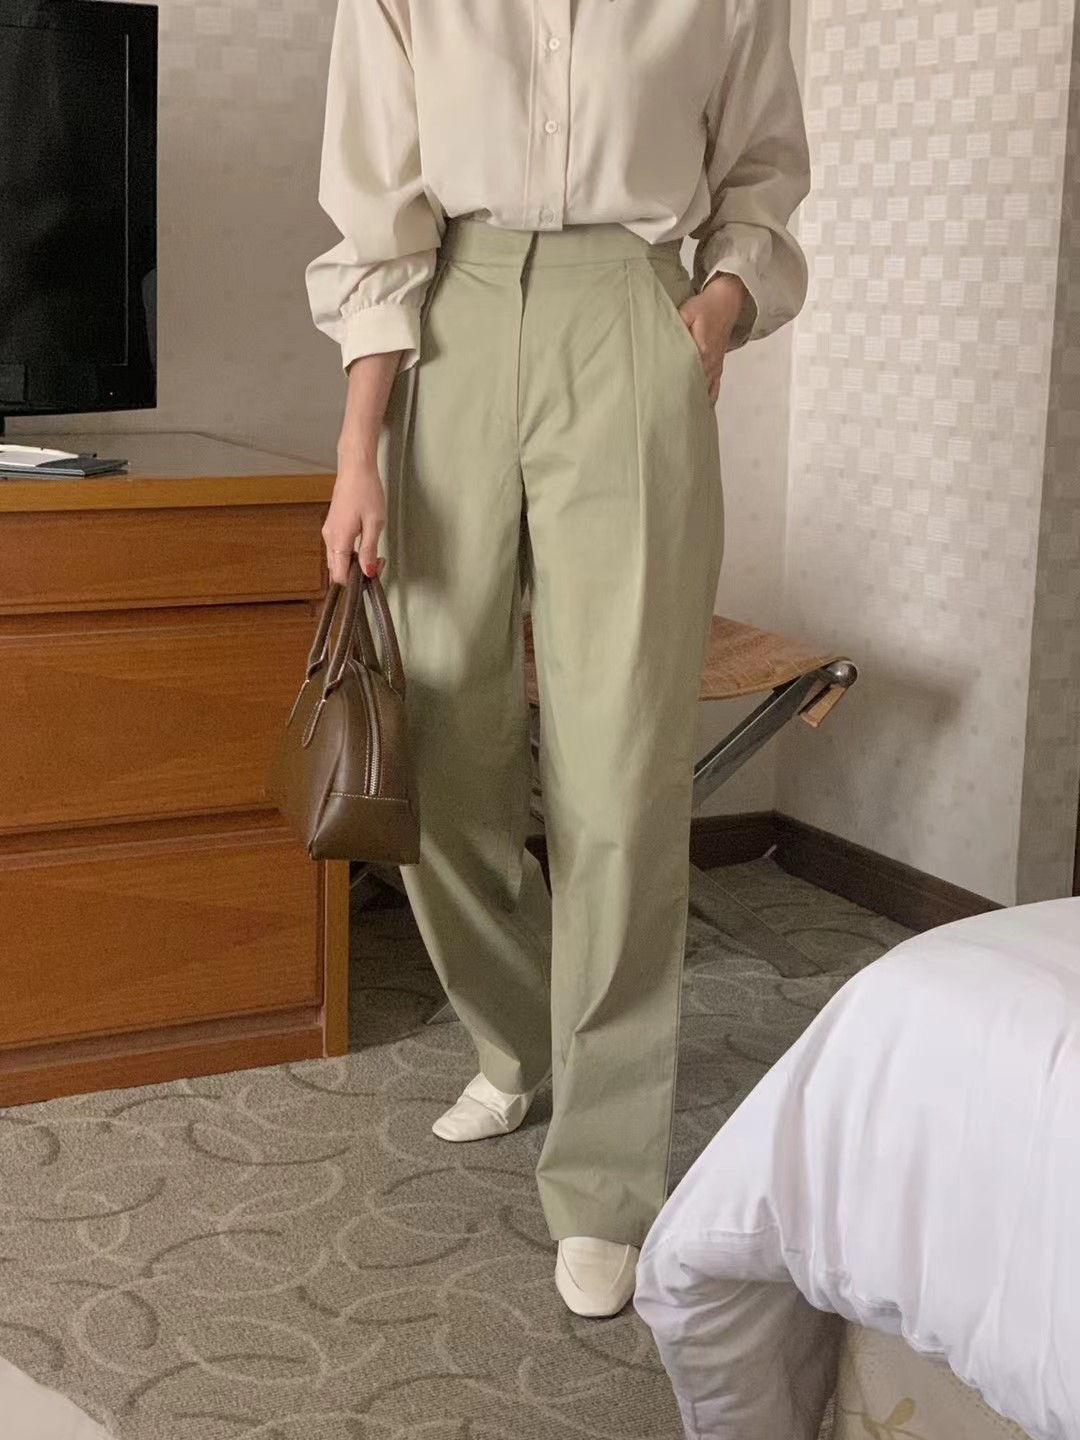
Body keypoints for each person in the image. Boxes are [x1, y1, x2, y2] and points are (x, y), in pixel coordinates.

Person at [305, 0, 810, 1319]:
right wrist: (357, 451)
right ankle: (519, 1037)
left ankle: (605, 1176)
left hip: (632, 313)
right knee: (435, 746)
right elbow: (378, 206)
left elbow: (762, 167)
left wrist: (716, 305)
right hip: (449, 327)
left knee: (623, 765)